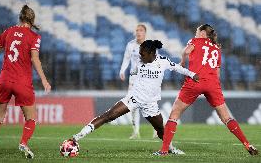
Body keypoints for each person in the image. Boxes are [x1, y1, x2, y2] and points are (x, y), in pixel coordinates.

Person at [69, 40, 199, 154]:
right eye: (140, 53)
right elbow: (134, 70)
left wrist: (192, 74)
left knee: (160, 130)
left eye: (143, 53)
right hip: (134, 97)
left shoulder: (163, 62)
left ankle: (170, 148)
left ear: (152, 53)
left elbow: (178, 68)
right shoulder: (139, 60)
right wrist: (133, 73)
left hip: (150, 103)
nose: (140, 55)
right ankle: (77, 137)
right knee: (109, 115)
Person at [154, 24, 258, 156]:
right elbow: (218, 73)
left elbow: (186, 51)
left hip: (195, 80)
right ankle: (247, 144)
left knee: (175, 113)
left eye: (197, 31)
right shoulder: (216, 48)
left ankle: (164, 151)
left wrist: (182, 62)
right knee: (226, 117)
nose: (195, 33)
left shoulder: (195, 41)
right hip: (213, 84)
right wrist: (213, 86)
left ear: (203, 33)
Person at [0, 5, 51, 159]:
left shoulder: (9, 31)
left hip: (5, 79)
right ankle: (23, 142)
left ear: (20, 18)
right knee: (31, 118)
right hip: (22, 82)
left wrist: (2, 47)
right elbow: (35, 59)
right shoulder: (34, 37)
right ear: (32, 20)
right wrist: (44, 80)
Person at [119, 24, 146, 139]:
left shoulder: (150, 45)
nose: (138, 32)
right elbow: (126, 59)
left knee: (149, 104)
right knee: (133, 105)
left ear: (145, 33)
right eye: (137, 30)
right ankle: (136, 131)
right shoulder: (131, 45)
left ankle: (157, 128)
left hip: (147, 78)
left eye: (140, 30)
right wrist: (122, 71)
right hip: (134, 78)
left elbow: (157, 62)